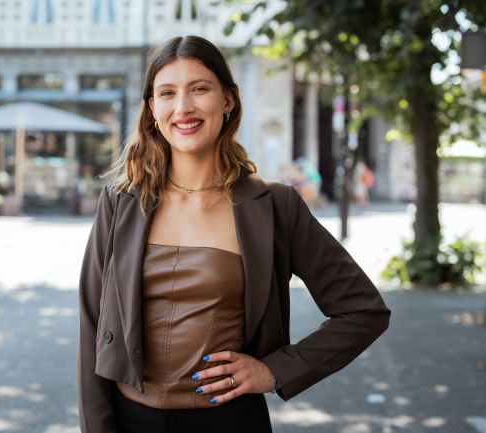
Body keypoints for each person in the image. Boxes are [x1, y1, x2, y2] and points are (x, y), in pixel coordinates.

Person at [77, 35, 391, 433]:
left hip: (228, 421)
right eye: (168, 93)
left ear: (228, 100)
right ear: (153, 108)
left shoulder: (276, 205)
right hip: (129, 419)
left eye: (200, 89)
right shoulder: (119, 201)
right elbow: (91, 326)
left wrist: (274, 371)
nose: (183, 107)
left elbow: (363, 310)